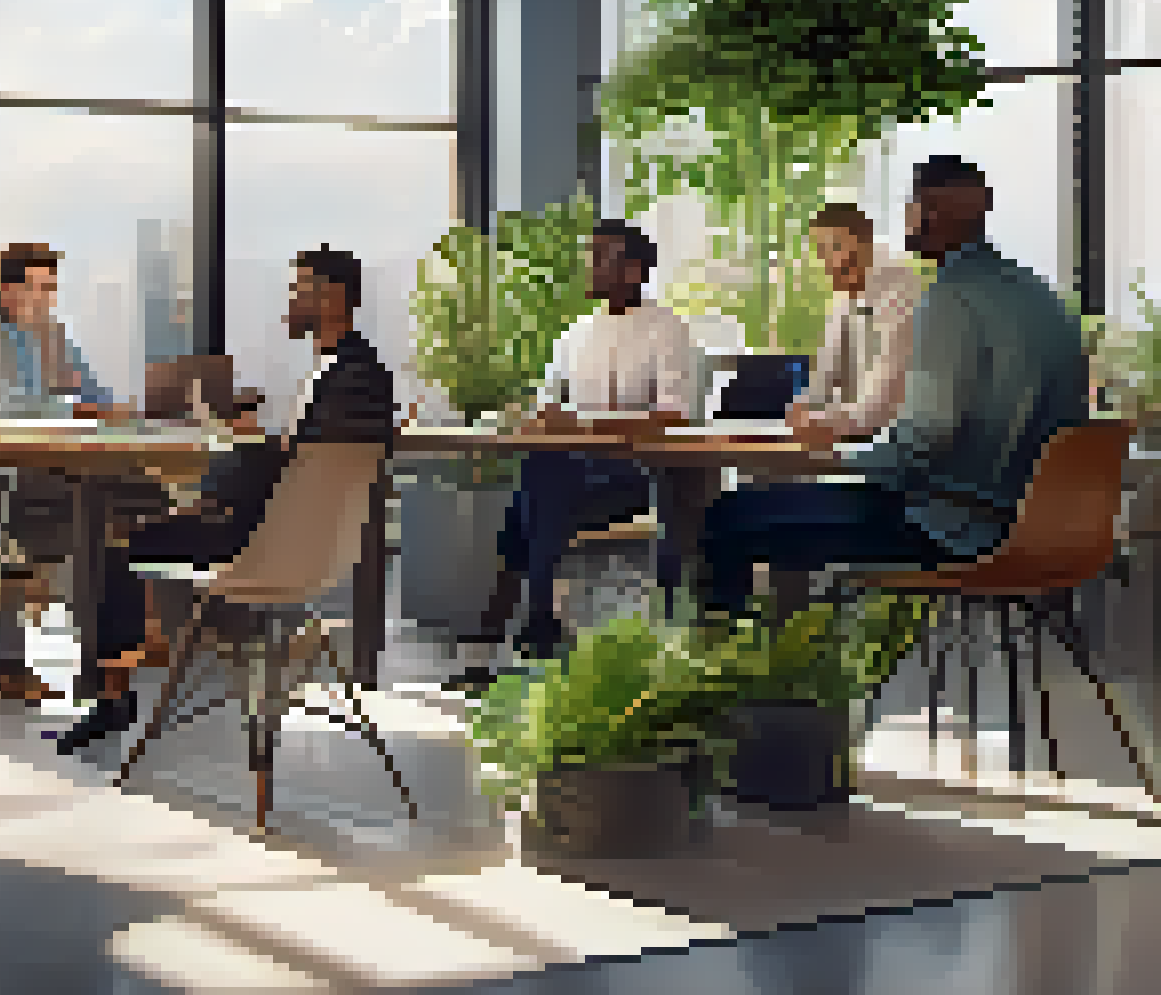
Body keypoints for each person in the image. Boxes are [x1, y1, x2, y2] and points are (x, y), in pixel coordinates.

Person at [699, 156, 1090, 617]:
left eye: (917, 204)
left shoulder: (947, 299)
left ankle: (741, 661)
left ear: (927, 212)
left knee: (729, 517)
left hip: (956, 527)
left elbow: (925, 435)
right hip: (1044, 530)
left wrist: (845, 458)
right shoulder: (1041, 297)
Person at [57, 246, 397, 754]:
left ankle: (113, 698)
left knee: (118, 546)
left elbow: (290, 465)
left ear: (331, 298)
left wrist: (221, 473)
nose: (290, 301)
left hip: (267, 546)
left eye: (298, 290)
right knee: (157, 522)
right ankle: (180, 655)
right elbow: (306, 463)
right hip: (311, 545)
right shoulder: (361, 370)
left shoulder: (343, 377)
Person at [452, 221, 699, 688]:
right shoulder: (576, 332)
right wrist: (531, 419)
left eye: (601, 256)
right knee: (538, 487)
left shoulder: (666, 328)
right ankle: (535, 625)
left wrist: (582, 426)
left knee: (529, 503)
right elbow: (548, 403)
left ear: (633, 270)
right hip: (570, 477)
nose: (589, 265)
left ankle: (496, 646)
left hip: (634, 477)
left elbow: (673, 415)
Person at [0, 242, 129, 703]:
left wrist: (102, 406)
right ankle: (20, 659)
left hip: (31, 467)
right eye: (40, 287)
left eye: (52, 287)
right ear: (8, 289)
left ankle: (120, 644)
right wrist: (74, 408)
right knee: (79, 506)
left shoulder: (43, 333)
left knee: (125, 496)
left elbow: (87, 393)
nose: (49, 298)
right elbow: (3, 407)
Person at [785, 202, 926, 444]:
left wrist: (823, 421)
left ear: (867, 242)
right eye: (821, 250)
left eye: (836, 247)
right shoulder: (847, 293)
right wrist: (803, 407)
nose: (830, 260)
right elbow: (825, 377)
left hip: (898, 441)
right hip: (856, 436)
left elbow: (884, 402)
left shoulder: (901, 294)